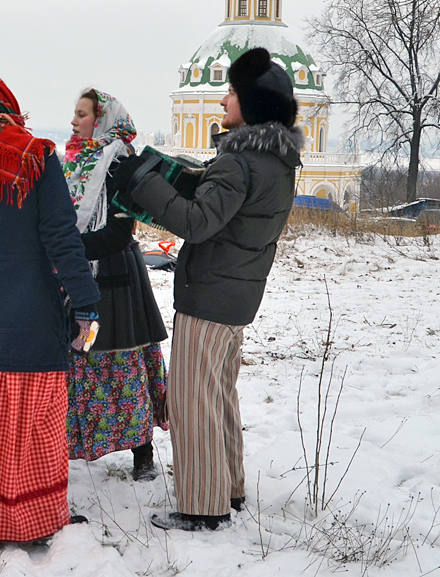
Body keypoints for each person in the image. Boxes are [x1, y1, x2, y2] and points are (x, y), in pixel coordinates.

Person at [127, 48, 302, 532]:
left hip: (208, 296)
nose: (224, 99)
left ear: (252, 103)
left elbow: (197, 223)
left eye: (232, 93)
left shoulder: (239, 161)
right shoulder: (277, 160)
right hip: (236, 296)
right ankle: (228, 486)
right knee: (218, 394)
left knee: (191, 401)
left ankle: (202, 507)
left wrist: (145, 183)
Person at [0, 73, 100, 554]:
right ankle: (31, 519)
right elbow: (60, 235)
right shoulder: (36, 155)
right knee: (28, 414)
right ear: (8, 106)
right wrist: (85, 300)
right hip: (25, 301)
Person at [62, 88, 168, 481]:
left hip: (115, 275)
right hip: (77, 272)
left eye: (82, 114)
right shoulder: (73, 162)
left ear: (102, 119)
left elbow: (122, 232)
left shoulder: (119, 163)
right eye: (73, 114)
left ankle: (142, 452)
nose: (74, 120)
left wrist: (67, 248)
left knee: (123, 362)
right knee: (80, 362)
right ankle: (74, 442)